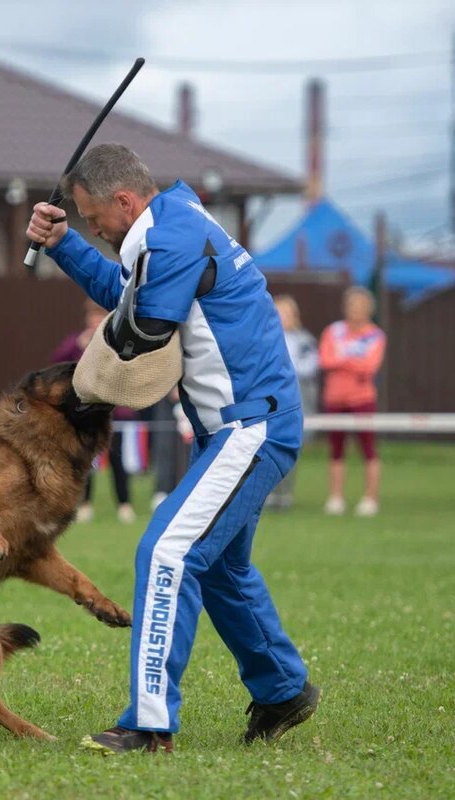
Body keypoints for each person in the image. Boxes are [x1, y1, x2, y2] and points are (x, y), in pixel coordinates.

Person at [28, 143, 316, 754]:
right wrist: (63, 244)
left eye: (92, 218)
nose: (94, 228)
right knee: (223, 569)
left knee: (167, 553)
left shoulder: (170, 240)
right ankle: (283, 689)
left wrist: (87, 381)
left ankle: (150, 724)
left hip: (249, 428)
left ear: (124, 201)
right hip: (239, 428)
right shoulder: (168, 225)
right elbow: (126, 292)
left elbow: (144, 328)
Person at [53, 300, 137, 524]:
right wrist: (78, 346)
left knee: (117, 459)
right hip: (85, 411)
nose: (96, 321)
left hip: (113, 411)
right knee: (86, 460)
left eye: (100, 317)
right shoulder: (77, 341)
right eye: (93, 317)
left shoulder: (118, 341)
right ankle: (85, 505)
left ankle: (124, 504)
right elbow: (58, 362)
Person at [319, 287, 386, 517]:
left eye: (360, 305)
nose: (355, 310)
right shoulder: (333, 331)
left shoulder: (375, 335)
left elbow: (369, 367)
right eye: (352, 305)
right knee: (336, 449)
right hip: (335, 398)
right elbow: (325, 360)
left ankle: (370, 498)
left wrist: (342, 361)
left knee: (368, 449)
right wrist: (351, 361)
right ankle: (336, 497)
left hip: (362, 399)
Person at [267, 295, 318, 510]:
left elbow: (310, 367)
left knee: (289, 448)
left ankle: (285, 493)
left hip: (296, 400)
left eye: (286, 313)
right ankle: (268, 492)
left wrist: (286, 369)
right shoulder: (265, 339)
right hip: (270, 403)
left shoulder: (305, 340)